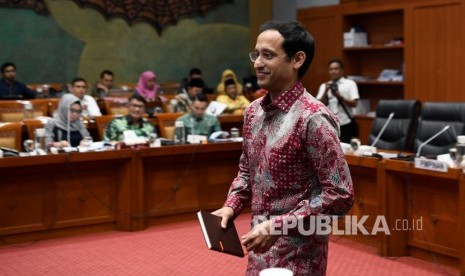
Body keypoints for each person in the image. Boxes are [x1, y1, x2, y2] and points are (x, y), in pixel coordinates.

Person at [212, 20, 354, 275]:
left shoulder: (313, 118)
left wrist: (279, 225)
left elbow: (340, 194)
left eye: (268, 55)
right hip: (260, 247)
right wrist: (231, 205)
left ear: (297, 60)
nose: (257, 63)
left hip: (300, 254)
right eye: (256, 54)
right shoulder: (253, 112)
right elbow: (247, 171)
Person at [316, 59, 359, 143]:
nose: (333, 71)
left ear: (342, 70)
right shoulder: (325, 85)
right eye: (331, 69)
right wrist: (325, 91)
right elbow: (318, 105)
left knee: (345, 151)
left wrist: (339, 97)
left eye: (336, 69)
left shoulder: (350, 84)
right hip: (329, 124)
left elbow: (355, 103)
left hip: (345, 123)